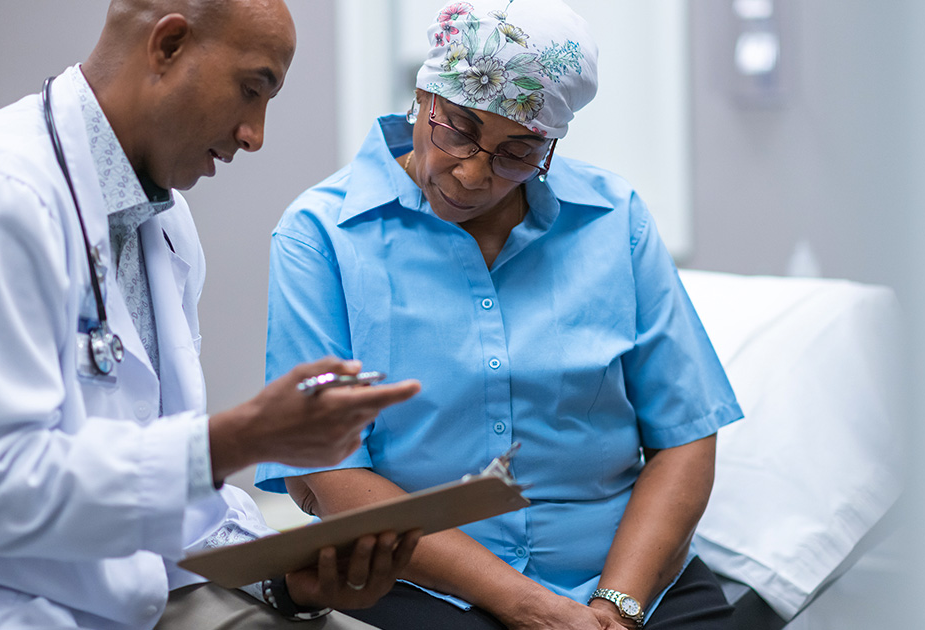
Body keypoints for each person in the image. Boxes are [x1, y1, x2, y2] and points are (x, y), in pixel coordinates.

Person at [0, 1, 423, 628]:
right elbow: (0, 492)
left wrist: (284, 578)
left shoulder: (164, 223)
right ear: (169, 45)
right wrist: (247, 436)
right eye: (251, 90)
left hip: (113, 591)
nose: (254, 134)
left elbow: (156, 478)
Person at [255, 1, 743, 628]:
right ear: (424, 92)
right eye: (457, 129)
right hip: (426, 582)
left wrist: (615, 607)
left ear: (551, 144)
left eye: (516, 152)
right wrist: (530, 606)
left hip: (625, 578)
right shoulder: (320, 237)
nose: (473, 171)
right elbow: (333, 476)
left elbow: (685, 436)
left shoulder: (613, 220)